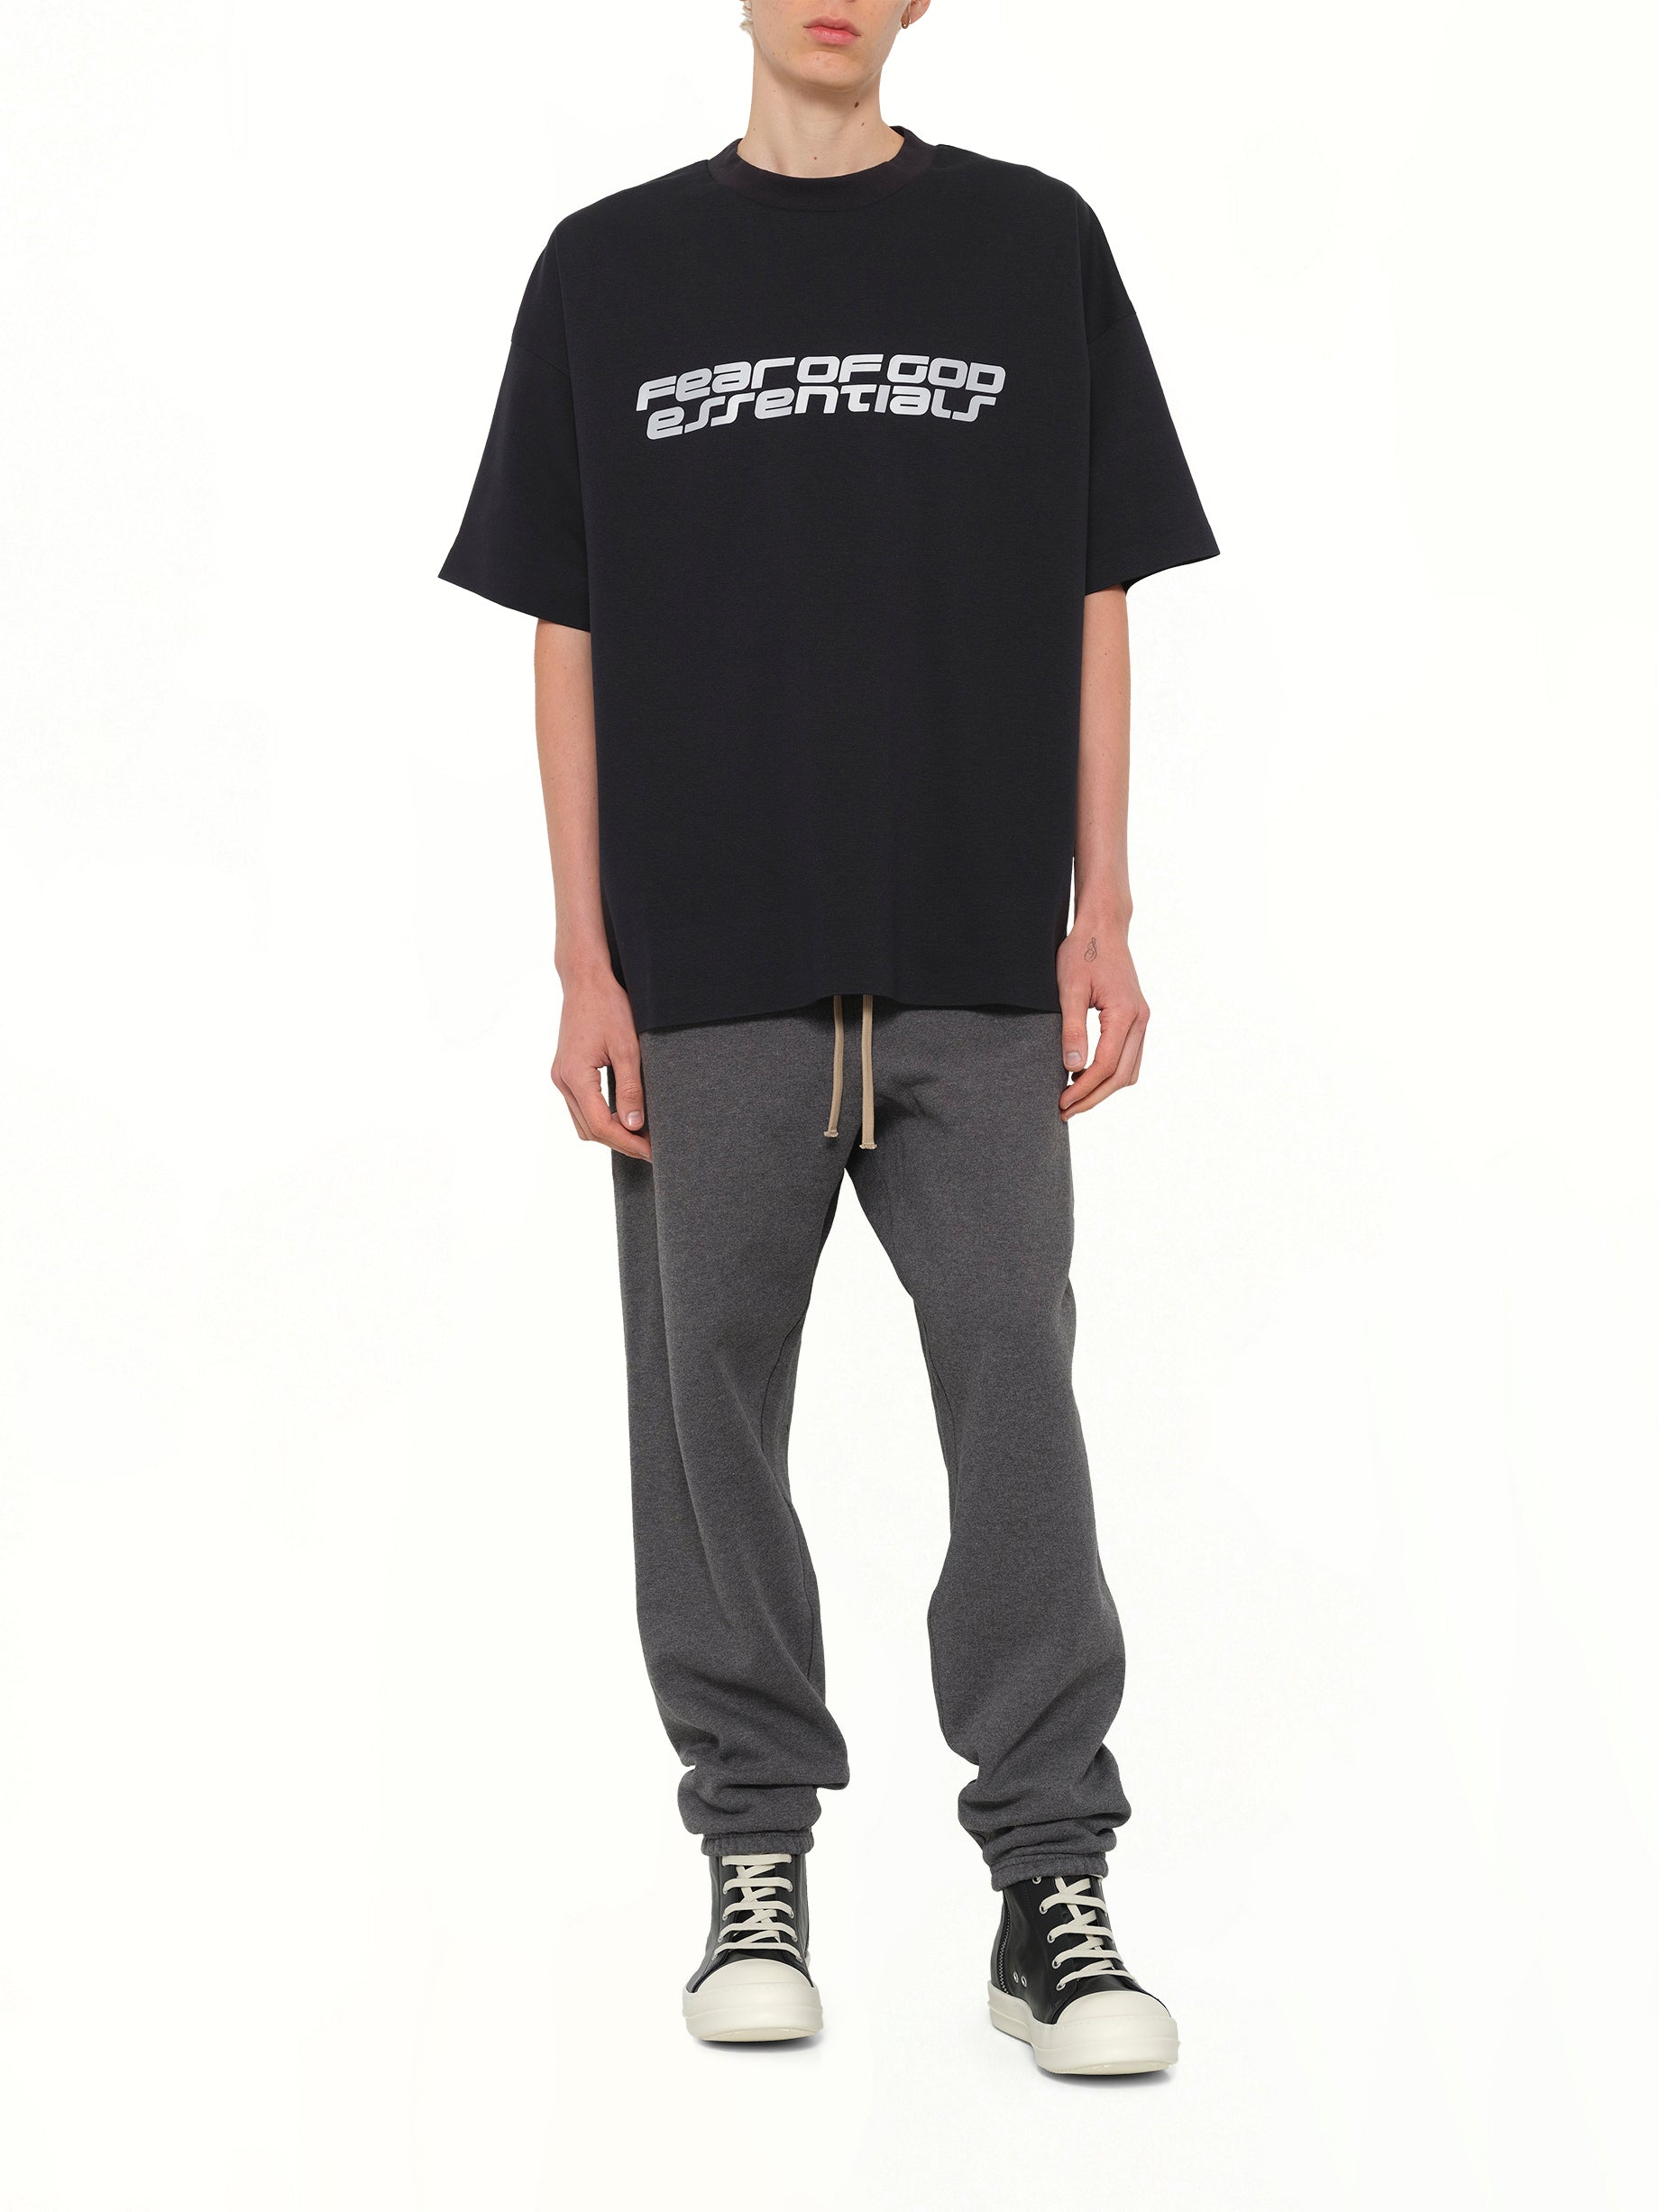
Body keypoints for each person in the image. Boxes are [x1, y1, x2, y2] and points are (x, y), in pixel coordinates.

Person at [440, 0, 1216, 2075]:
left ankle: (1047, 1886)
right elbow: (567, 635)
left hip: (971, 955)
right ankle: (750, 1862)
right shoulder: (610, 270)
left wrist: (1103, 913)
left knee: (1015, 1400)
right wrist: (581, 960)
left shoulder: (1028, 246)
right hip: (706, 965)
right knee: (702, 1415)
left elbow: (1094, 594)